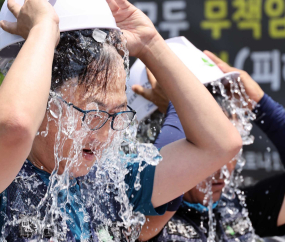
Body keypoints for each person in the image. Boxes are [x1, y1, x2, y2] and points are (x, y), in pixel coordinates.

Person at [0, 0, 242, 241]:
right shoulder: (7, 183)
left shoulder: (112, 181)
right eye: (93, 115)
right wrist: (42, 28)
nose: (104, 135)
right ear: (43, 102)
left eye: (117, 115)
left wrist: (151, 45)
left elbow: (219, 145)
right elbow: (14, 127)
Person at [134, 52, 285, 241]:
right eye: (207, 147)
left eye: (229, 148)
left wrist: (263, 105)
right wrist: (181, 102)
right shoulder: (144, 217)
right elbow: (158, 182)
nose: (221, 168)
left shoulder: (240, 208)